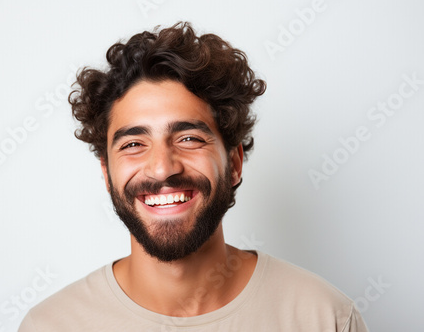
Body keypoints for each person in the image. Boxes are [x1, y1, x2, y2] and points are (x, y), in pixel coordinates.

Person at [18, 22, 368, 331]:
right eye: (134, 144)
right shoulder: (50, 325)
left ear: (234, 164)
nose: (162, 167)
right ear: (107, 175)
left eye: (188, 139)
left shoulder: (326, 318)